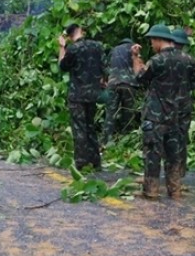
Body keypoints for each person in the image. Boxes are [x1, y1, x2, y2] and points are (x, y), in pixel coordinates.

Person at [132, 24, 195, 199]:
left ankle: (151, 191)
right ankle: (175, 190)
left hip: (156, 115)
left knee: (153, 153)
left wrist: (135, 58)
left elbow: (139, 78)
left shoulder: (156, 61)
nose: (152, 45)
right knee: (174, 155)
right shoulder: (189, 60)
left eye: (152, 41)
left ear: (157, 40)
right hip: (177, 116)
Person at [57, 23, 105, 171]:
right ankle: (96, 161)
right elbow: (104, 66)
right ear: (82, 31)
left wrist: (61, 47)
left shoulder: (72, 49)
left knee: (79, 129)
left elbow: (62, 66)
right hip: (93, 94)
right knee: (90, 126)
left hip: (77, 94)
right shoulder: (97, 46)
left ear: (69, 36)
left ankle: (82, 163)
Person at [171, 28, 195, 178]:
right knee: (181, 137)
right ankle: (180, 170)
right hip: (184, 103)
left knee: (166, 137)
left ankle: (169, 171)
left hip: (165, 105)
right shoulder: (191, 60)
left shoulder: (162, 57)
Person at [102, 38, 138, 145]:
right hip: (129, 83)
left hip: (113, 83)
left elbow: (105, 67)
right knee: (128, 111)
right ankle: (126, 138)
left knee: (110, 113)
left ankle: (106, 140)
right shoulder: (134, 48)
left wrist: (105, 80)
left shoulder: (113, 51)